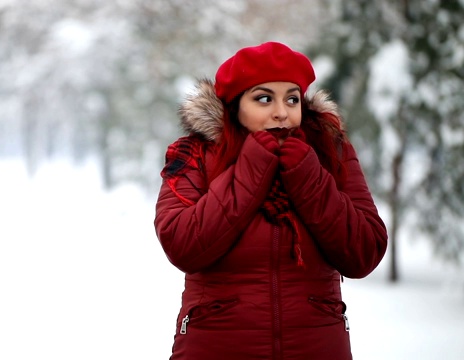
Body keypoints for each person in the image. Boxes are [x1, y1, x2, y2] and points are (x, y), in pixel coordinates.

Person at [153, 42, 388, 359]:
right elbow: (182, 244)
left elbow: (364, 252)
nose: (282, 112)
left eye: (292, 98)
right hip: (215, 347)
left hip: (317, 347)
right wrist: (250, 169)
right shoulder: (194, 154)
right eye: (264, 98)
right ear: (235, 106)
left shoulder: (330, 153)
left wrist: (308, 176)